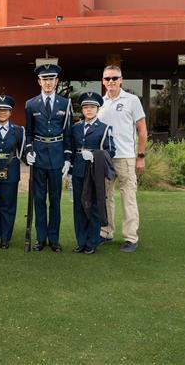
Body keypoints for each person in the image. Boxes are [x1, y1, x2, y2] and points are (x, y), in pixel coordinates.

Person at [98, 65, 147, 252]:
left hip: (125, 157)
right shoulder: (100, 103)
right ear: (103, 81)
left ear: (121, 80)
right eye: (107, 78)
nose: (111, 82)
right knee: (105, 197)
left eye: (114, 78)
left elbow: (142, 130)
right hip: (105, 157)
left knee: (128, 197)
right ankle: (106, 232)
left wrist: (140, 156)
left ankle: (131, 238)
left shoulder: (132, 100)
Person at [24, 64, 72, 253]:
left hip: (57, 155)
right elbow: (28, 132)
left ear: (57, 81)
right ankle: (40, 238)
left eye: (51, 79)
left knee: (55, 200)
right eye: (45, 79)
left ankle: (54, 239)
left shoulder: (65, 103)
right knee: (38, 199)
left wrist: (68, 158)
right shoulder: (31, 104)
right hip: (39, 156)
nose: (48, 83)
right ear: (39, 81)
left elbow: (68, 133)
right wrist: (29, 150)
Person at [68, 92, 115, 254]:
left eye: (92, 107)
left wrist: (95, 155)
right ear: (82, 110)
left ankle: (92, 243)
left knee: (93, 206)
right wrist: (68, 164)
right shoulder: (75, 128)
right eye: (86, 107)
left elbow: (111, 152)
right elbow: (72, 149)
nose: (89, 110)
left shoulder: (104, 128)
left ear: (97, 109)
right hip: (78, 171)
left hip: (95, 173)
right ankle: (81, 242)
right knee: (79, 207)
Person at [0, 95, 25, 249]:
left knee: (8, 205)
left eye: (5, 110)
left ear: (10, 112)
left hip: (11, 171)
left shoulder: (18, 130)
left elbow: (23, 151)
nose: (2, 112)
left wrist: (30, 154)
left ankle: (6, 238)